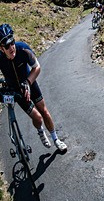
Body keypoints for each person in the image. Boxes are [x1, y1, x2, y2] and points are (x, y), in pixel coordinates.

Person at [0, 24, 68, 152]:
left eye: (12, 42)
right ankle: (41, 131)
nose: (11, 47)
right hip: (16, 90)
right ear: (1, 48)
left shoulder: (23, 49)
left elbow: (36, 67)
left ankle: (56, 139)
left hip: (29, 82)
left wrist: (28, 82)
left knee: (44, 111)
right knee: (37, 118)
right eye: (7, 46)